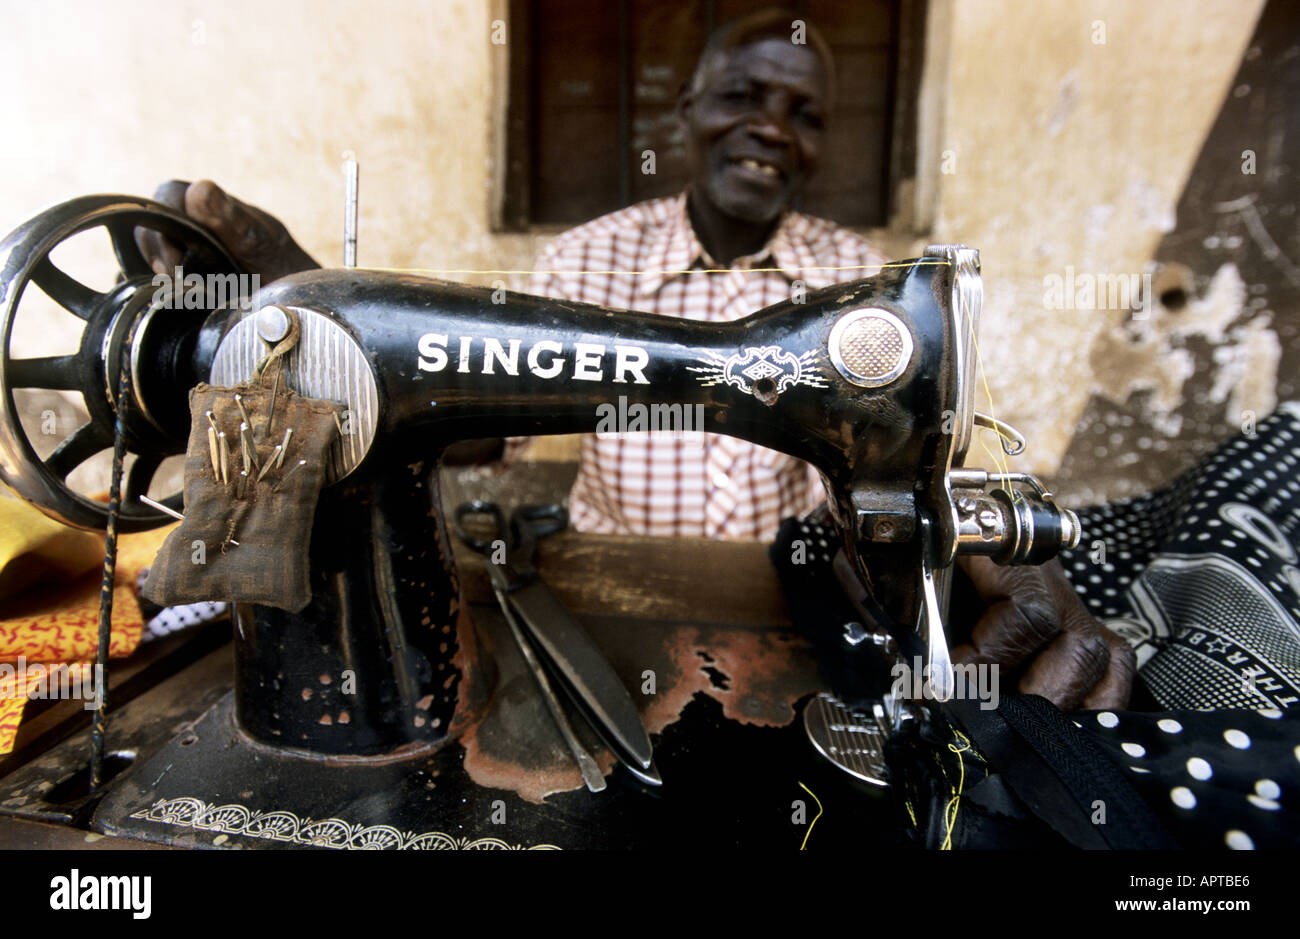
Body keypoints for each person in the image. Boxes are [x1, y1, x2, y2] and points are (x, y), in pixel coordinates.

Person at [140, 9, 1133, 710]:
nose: (771, 126)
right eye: (743, 94)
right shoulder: (591, 255)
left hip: (781, 602)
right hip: (593, 598)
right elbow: (475, 416)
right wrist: (334, 335)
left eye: (805, 112)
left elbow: (922, 444)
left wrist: (1002, 547)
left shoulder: (856, 278)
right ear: (685, 112)